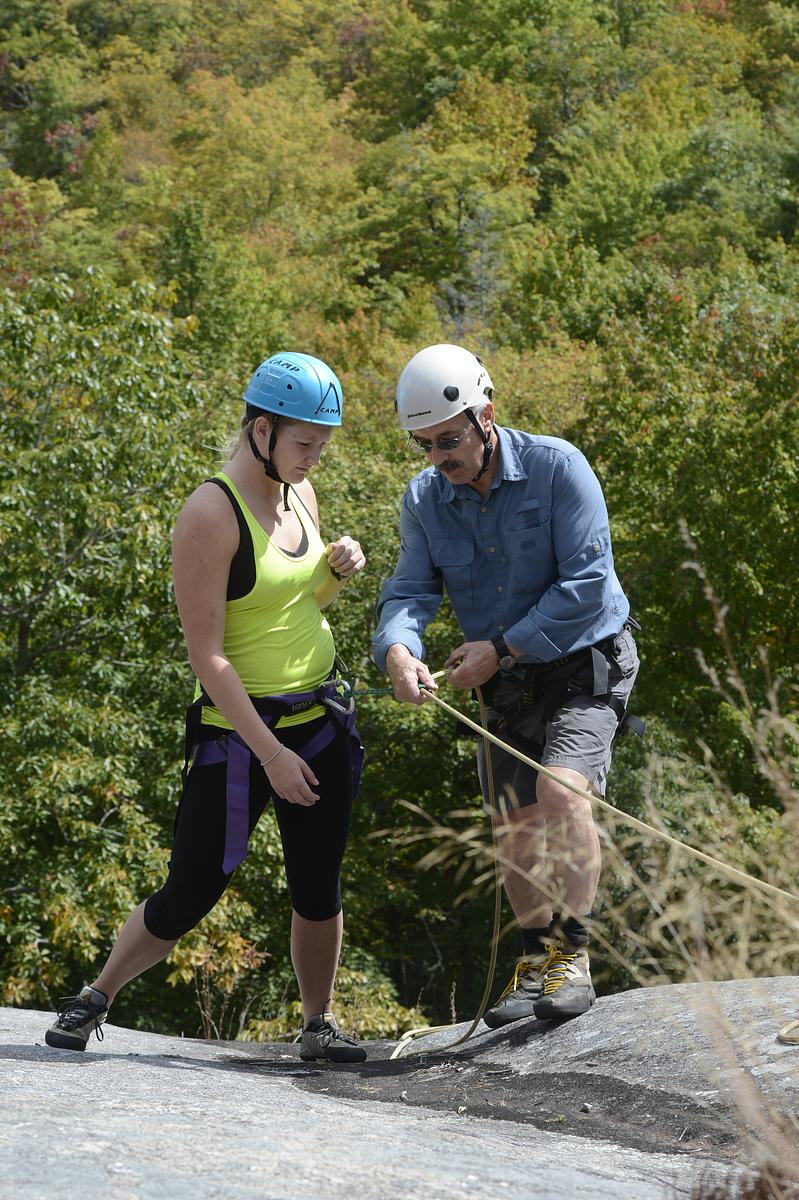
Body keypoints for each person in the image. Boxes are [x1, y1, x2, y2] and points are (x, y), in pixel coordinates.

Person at [46, 351, 368, 1062]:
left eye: (323, 443)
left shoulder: (299, 494)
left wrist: (335, 573)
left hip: (318, 719)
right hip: (238, 733)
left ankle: (317, 1024)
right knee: (192, 887)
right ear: (261, 430)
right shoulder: (209, 513)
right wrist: (271, 753)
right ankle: (96, 997)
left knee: (318, 884)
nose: (316, 456)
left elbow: (293, 606)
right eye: (305, 442)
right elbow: (208, 655)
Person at [373, 343, 641, 1026]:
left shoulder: (558, 468)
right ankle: (533, 959)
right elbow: (407, 589)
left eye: (448, 439)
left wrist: (500, 646)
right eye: (424, 444)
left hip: (584, 661)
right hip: (506, 680)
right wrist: (399, 651)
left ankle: (572, 958)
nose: (438, 457)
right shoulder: (424, 498)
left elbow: (587, 585)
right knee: (512, 817)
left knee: (559, 792)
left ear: (485, 414)